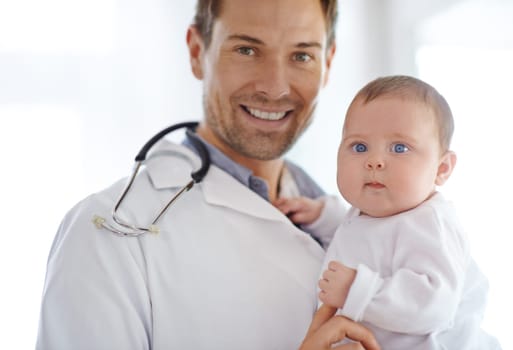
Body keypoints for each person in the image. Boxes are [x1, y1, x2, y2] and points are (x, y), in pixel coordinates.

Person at [36, 0, 380, 349]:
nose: (275, 88)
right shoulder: (110, 231)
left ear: (328, 62)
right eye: (247, 49)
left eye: (302, 56)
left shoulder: (362, 219)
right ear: (197, 51)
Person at [276, 75, 502, 349]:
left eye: (399, 148)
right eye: (359, 147)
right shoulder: (376, 212)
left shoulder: (429, 223)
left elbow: (434, 302)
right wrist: (322, 215)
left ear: (442, 169)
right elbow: (363, 237)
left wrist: (357, 290)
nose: (374, 161)